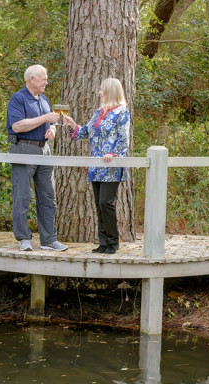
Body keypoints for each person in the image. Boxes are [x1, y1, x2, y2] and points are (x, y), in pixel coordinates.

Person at [64, 77, 131, 254]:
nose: (99, 93)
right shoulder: (98, 112)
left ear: (110, 92)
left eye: (102, 90)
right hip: (95, 166)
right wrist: (72, 125)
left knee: (105, 202)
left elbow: (124, 139)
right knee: (98, 205)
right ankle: (103, 242)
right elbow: (85, 131)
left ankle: (113, 241)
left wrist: (113, 153)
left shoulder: (122, 112)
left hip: (111, 165)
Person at [6, 64, 68, 252]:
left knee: (48, 197)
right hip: (23, 149)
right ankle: (24, 239)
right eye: (43, 79)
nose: (46, 82)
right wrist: (44, 119)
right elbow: (17, 126)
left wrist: (52, 129)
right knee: (22, 197)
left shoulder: (44, 99)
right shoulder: (18, 99)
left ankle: (49, 240)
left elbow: (51, 122)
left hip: (45, 152)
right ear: (31, 79)